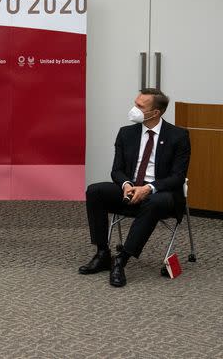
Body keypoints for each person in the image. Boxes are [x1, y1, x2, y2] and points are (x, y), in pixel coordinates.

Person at [79, 88, 191, 287]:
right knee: (95, 191)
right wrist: (126, 184)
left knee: (154, 201)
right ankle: (103, 253)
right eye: (135, 103)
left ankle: (122, 260)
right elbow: (116, 170)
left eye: (140, 106)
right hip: (129, 190)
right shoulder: (126, 133)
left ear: (155, 112)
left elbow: (177, 177)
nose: (134, 109)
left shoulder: (178, 136)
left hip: (162, 195)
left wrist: (149, 188)